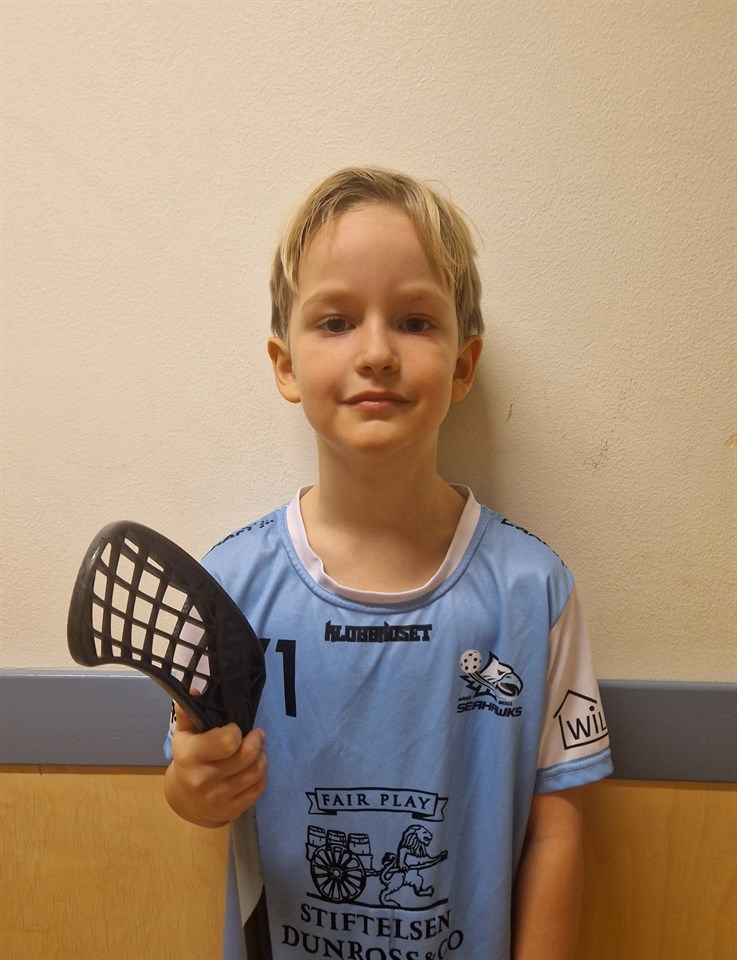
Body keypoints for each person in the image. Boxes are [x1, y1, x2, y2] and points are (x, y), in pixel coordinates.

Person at [164, 166, 613, 960]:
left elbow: (556, 832)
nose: (375, 353)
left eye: (413, 321)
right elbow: (192, 784)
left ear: (463, 365)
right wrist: (194, 789)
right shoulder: (226, 589)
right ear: (284, 365)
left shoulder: (533, 591)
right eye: (335, 321)